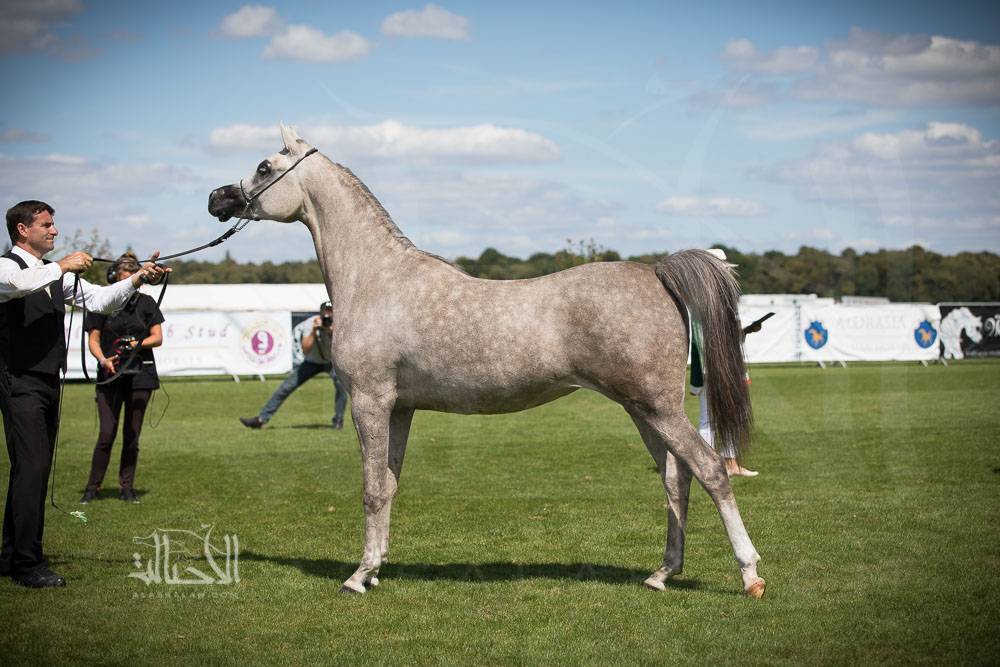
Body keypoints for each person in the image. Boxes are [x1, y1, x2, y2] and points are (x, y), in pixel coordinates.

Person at [0, 200, 169, 588]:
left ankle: (10, 556)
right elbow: (19, 285)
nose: (54, 230)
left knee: (30, 469)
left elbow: (100, 300)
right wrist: (62, 265)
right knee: (33, 468)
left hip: (47, 380)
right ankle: (27, 563)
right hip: (18, 380)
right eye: (46, 224)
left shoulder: (51, 273)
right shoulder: (8, 267)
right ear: (22, 230)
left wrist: (138, 278)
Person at [79, 252, 165, 506]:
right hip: (110, 374)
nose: (128, 275)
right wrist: (102, 359)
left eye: (132, 271)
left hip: (141, 376)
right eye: (124, 271)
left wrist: (136, 345)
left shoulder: (147, 303)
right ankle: (92, 488)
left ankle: (126, 487)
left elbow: (157, 337)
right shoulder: (102, 300)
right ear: (114, 275)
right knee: (106, 434)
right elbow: (93, 340)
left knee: (132, 435)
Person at [689, 248, 761, 477]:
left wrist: (744, 329)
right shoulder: (703, 296)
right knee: (709, 418)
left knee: (735, 414)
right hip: (713, 364)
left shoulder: (716, 295)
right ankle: (708, 466)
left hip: (727, 363)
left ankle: (730, 463)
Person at [239, 301, 348, 430]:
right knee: (286, 387)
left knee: (341, 386)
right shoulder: (310, 323)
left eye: (330, 312)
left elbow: (344, 348)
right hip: (312, 362)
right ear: (320, 313)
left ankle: (339, 420)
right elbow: (305, 349)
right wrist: (314, 330)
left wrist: (330, 332)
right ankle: (261, 419)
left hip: (332, 362)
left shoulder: (340, 324)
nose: (328, 315)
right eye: (325, 312)